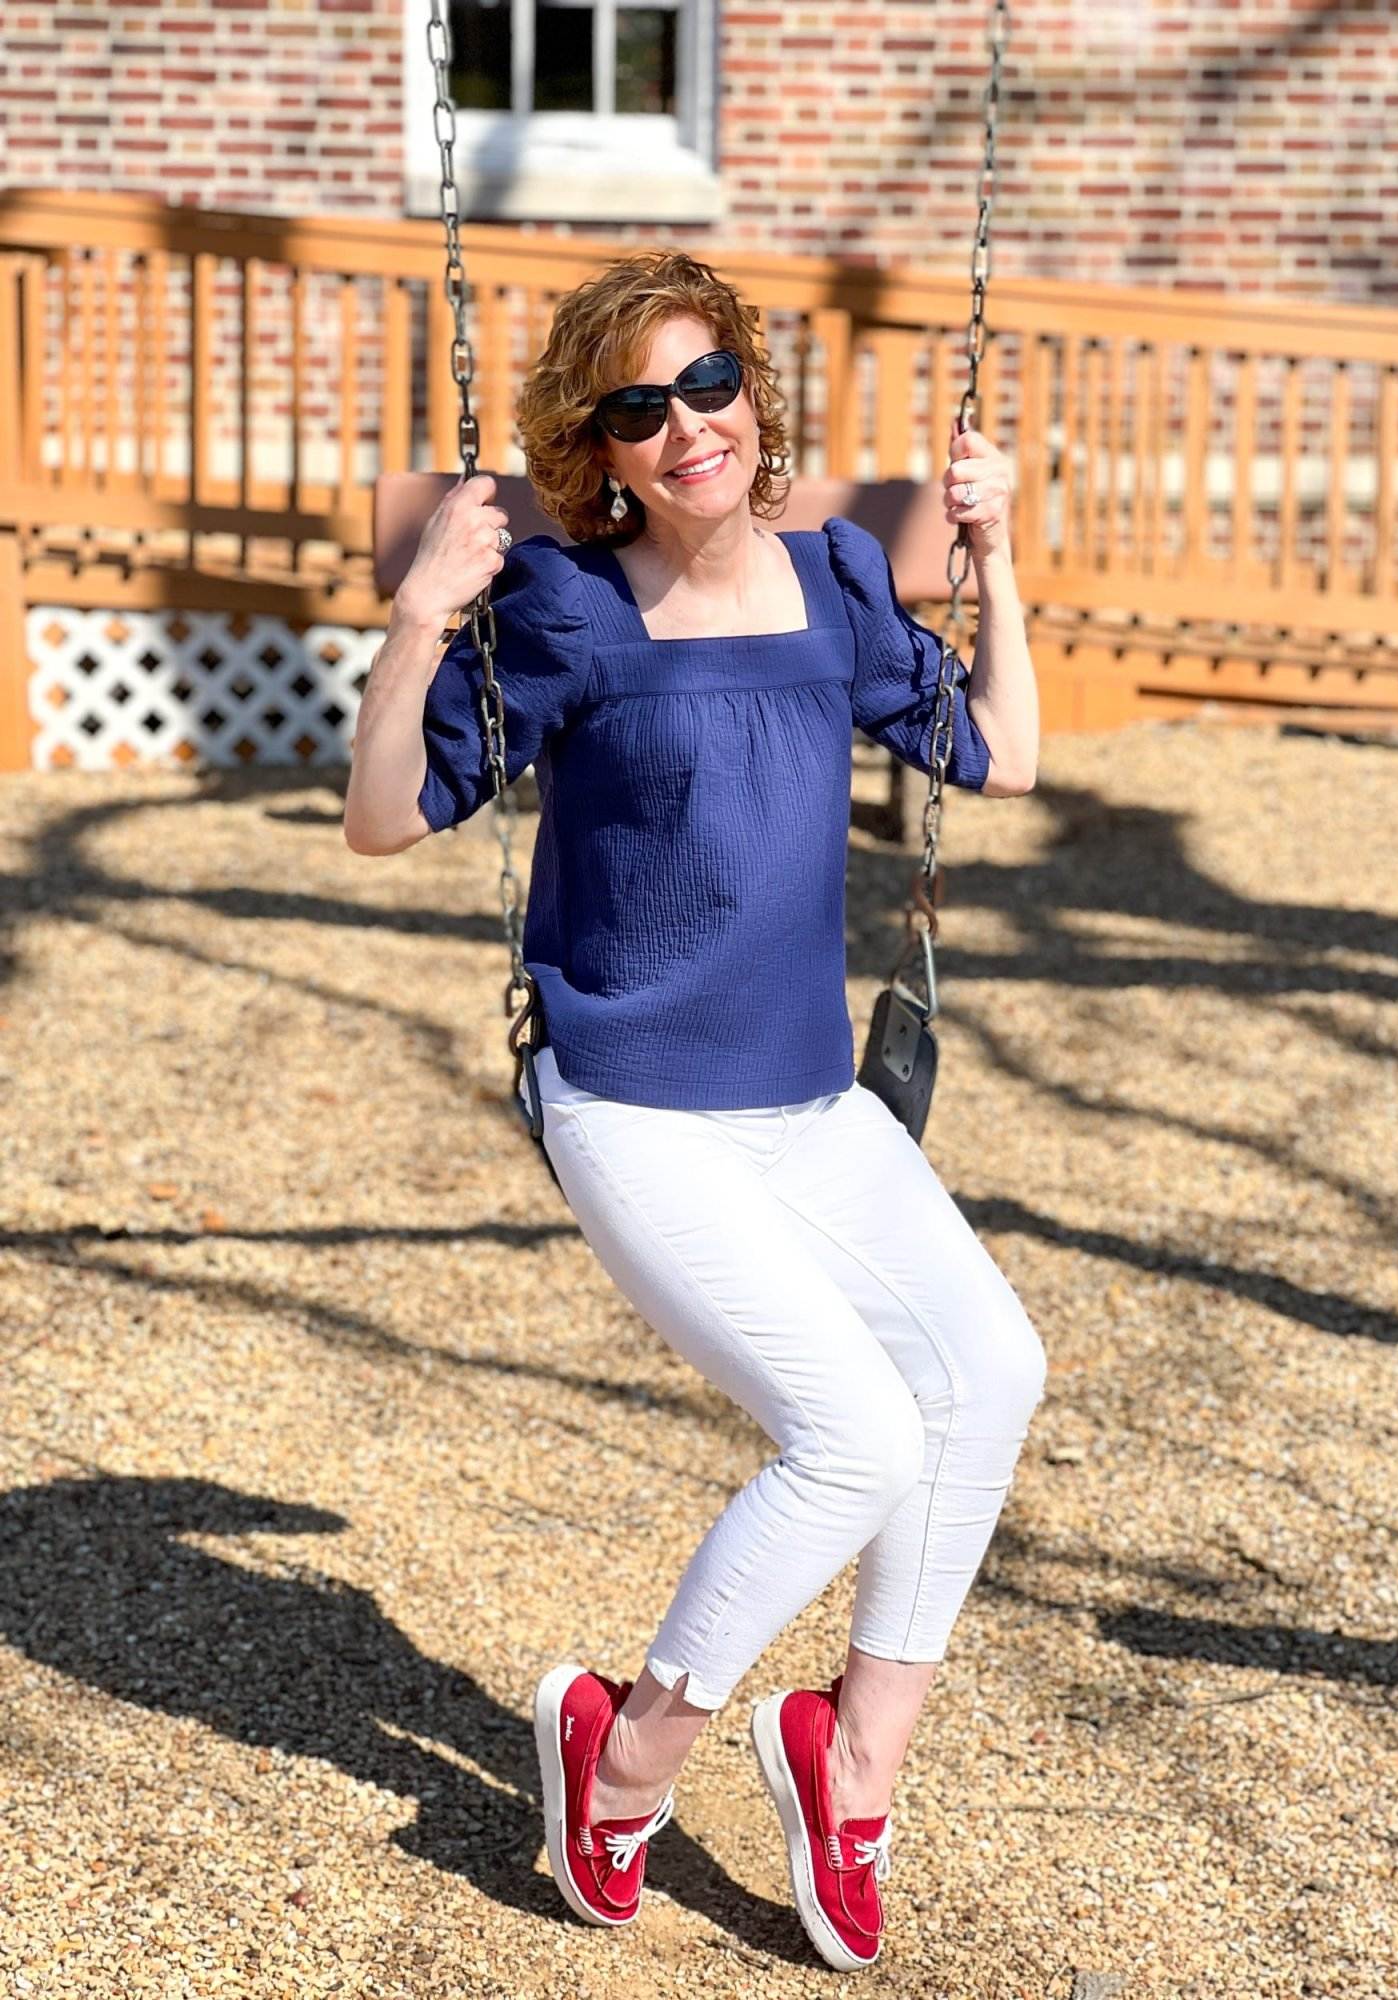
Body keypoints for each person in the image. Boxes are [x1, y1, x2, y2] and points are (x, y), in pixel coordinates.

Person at [343, 249, 1046, 1973]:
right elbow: (378, 820)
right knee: (859, 1437)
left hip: (809, 1105)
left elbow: (1004, 759)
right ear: (605, 454)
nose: (688, 430)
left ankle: (847, 1763)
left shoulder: (840, 583)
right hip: (639, 1106)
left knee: (992, 1374)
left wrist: (1000, 552)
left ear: (750, 389)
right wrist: (426, 605)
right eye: (639, 412)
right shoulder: (569, 613)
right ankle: (625, 1752)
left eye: (708, 385)